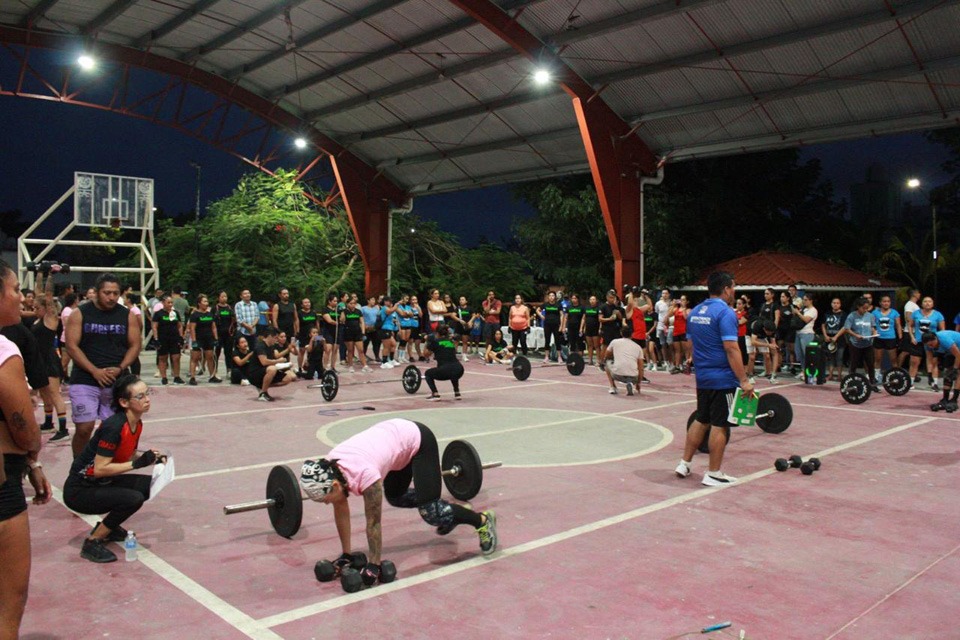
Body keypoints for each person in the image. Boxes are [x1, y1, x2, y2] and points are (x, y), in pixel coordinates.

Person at [298, 418, 499, 583]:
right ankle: (449, 513)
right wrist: (346, 555)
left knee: (432, 512)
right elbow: (340, 509)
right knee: (396, 497)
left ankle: (482, 521)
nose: (326, 503)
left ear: (334, 486)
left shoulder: (365, 476)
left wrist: (374, 564)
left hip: (417, 441)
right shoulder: (331, 468)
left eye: (325, 499)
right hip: (395, 444)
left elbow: (374, 523)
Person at [0, 259, 52, 638]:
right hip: (2, 481)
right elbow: (24, 425)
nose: (21, 297)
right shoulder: (3, 350)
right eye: (15, 289)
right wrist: (32, 457)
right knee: (8, 599)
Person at [63, 375, 165, 563]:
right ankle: (93, 541)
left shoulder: (135, 422)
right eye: (140, 396)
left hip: (100, 482)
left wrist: (150, 458)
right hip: (81, 490)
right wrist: (137, 464)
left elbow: (128, 454)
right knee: (133, 499)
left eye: (147, 393)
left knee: (149, 485)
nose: (147, 399)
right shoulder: (114, 427)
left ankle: (110, 526)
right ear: (124, 402)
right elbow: (100, 469)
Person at [676, 271, 753, 486]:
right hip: (723, 378)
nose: (734, 292)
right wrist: (744, 380)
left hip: (703, 377)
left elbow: (690, 345)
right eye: (733, 288)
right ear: (727, 288)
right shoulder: (726, 313)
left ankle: (684, 463)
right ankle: (713, 473)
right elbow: (731, 348)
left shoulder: (695, 312)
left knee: (702, 418)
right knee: (720, 425)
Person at [64, 273, 141, 458]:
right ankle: (80, 467)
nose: (111, 297)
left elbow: (135, 345)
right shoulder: (80, 314)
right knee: (84, 428)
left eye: (115, 293)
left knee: (113, 429)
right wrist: (94, 371)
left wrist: (121, 368)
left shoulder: (127, 315)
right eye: (107, 293)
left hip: (117, 380)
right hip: (85, 378)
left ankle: (107, 466)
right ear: (97, 292)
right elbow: (71, 346)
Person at [30, 268, 68, 435]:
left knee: (54, 394)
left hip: (50, 361)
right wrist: (39, 273)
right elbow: (39, 292)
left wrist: (50, 274)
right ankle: (48, 423)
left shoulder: (50, 318)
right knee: (45, 395)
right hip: (40, 361)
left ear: (46, 307)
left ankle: (63, 429)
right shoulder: (39, 319)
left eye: (37, 307)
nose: (34, 308)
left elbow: (47, 295)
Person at [835, 297, 881, 393]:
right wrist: (856, 335)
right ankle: (850, 383)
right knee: (854, 364)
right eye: (863, 308)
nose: (865, 310)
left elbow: (872, 327)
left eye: (867, 308)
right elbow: (847, 328)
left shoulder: (870, 316)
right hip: (855, 344)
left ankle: (872, 383)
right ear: (858, 307)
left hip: (868, 343)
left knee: (870, 364)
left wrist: (874, 332)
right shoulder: (852, 316)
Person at [907, 296, 946, 389]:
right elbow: (910, 325)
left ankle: (934, 383)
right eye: (925, 301)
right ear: (922, 303)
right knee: (914, 362)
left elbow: (942, 330)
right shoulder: (915, 314)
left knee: (933, 362)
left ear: (932, 303)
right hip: (918, 341)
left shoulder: (938, 315)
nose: (927, 303)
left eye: (929, 301)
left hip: (932, 342)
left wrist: (937, 342)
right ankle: (910, 382)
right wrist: (912, 337)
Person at [249, 327, 297, 401]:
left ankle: (262, 387)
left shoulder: (271, 346)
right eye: (275, 338)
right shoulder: (260, 346)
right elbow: (264, 362)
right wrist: (278, 361)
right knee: (272, 369)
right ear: (270, 336)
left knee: (288, 378)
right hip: (255, 373)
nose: (277, 340)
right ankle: (263, 393)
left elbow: (274, 358)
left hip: (266, 371)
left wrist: (285, 364)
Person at [421, 325, 464, 401]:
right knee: (452, 372)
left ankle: (435, 394)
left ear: (437, 333)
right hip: (459, 369)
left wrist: (427, 341)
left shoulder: (435, 342)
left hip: (446, 370)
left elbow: (425, 354)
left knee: (428, 373)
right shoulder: (450, 342)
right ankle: (457, 393)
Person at [922, 331, 960, 411]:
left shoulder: (944, 340)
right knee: (947, 374)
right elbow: (929, 359)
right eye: (928, 345)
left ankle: (954, 400)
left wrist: (955, 369)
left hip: (958, 351)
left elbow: (958, 355)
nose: (931, 347)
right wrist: (929, 374)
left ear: (936, 339)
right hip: (951, 352)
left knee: (957, 374)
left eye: (932, 345)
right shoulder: (927, 345)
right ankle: (945, 399)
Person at [187, 294, 221, 385]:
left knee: (210, 357)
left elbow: (214, 327)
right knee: (195, 358)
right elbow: (192, 328)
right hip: (198, 339)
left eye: (207, 301)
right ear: (199, 303)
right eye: (204, 301)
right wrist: (194, 340)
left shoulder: (210, 314)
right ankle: (192, 377)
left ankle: (212, 376)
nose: (207, 303)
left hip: (209, 338)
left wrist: (216, 338)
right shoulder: (194, 315)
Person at [151, 296, 185, 385]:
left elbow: (180, 325)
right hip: (163, 339)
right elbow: (154, 327)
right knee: (163, 358)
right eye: (168, 302)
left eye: (171, 303)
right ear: (163, 303)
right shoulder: (158, 314)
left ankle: (177, 377)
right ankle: (164, 377)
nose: (170, 304)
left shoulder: (175, 313)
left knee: (176, 358)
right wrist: (156, 339)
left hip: (174, 338)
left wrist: (181, 337)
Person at [602, 325, 644, 396]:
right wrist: (638, 383)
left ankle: (613, 387)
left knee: (607, 363)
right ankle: (630, 383)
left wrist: (606, 360)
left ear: (621, 333)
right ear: (632, 334)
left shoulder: (614, 342)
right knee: (633, 370)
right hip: (634, 377)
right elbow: (641, 367)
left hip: (617, 375)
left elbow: (606, 355)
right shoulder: (638, 347)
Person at [872, 294, 902, 383]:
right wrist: (874, 332)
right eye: (884, 301)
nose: (886, 303)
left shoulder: (894, 313)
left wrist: (900, 336)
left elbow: (898, 325)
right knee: (877, 359)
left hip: (891, 338)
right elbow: (872, 325)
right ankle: (876, 376)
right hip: (879, 338)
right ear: (880, 303)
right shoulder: (875, 313)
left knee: (893, 359)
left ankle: (896, 375)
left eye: (888, 301)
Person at [340, 298, 371, 373]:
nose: (352, 305)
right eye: (350, 303)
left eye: (354, 303)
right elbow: (341, 320)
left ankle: (365, 366)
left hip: (357, 333)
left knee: (361, 350)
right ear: (347, 304)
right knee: (350, 350)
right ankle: (350, 366)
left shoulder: (358, 311)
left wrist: (363, 332)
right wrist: (343, 312)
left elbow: (362, 322)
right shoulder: (344, 311)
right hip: (348, 333)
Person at [821, 297, 847, 381]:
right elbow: (823, 325)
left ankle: (839, 375)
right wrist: (825, 335)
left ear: (840, 304)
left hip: (840, 339)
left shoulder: (844, 314)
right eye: (834, 303)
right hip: (829, 339)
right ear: (831, 304)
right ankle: (830, 375)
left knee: (839, 358)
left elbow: (844, 327)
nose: (835, 304)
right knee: (830, 358)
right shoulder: (827, 313)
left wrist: (836, 337)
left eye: (837, 303)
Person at [793, 294, 818, 377]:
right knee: (800, 354)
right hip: (798, 333)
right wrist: (796, 310)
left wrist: (798, 313)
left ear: (811, 300)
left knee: (807, 354)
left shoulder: (813, 310)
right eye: (803, 299)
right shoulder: (803, 309)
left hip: (807, 334)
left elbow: (806, 320)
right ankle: (803, 371)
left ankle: (811, 372)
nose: (804, 301)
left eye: (806, 300)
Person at [597, 290, 623, 369]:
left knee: (616, 346)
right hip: (607, 329)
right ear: (607, 297)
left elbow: (622, 319)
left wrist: (619, 315)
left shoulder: (616, 307)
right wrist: (609, 319)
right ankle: (601, 362)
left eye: (613, 298)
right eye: (611, 298)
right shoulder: (603, 307)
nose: (612, 299)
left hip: (615, 329)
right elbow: (600, 319)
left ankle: (613, 361)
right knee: (605, 346)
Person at [213, 291, 235, 376]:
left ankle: (229, 370)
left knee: (228, 352)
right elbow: (212, 322)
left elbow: (234, 321)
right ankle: (215, 370)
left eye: (225, 296)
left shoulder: (229, 308)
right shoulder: (215, 308)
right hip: (218, 333)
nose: (224, 298)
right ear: (218, 298)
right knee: (216, 352)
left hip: (228, 334)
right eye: (222, 297)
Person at [538, 291, 562, 363]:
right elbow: (537, 310)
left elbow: (562, 315)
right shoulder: (545, 304)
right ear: (548, 297)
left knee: (557, 341)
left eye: (553, 296)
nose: (551, 297)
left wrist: (561, 325)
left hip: (556, 325)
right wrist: (541, 316)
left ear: (555, 297)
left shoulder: (558, 305)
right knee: (547, 341)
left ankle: (559, 357)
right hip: (547, 325)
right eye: (550, 296)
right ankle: (546, 357)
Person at [582, 294, 601, 365]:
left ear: (596, 301)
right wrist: (582, 327)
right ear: (589, 301)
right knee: (589, 345)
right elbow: (584, 318)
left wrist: (600, 328)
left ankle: (598, 360)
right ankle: (590, 360)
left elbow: (600, 319)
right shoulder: (586, 308)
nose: (592, 301)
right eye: (591, 299)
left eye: (594, 299)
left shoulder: (598, 308)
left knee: (597, 345)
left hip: (595, 329)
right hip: (588, 329)